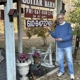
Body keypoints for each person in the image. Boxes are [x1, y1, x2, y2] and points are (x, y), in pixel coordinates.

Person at [47, 13, 74, 80]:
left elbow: (70, 36)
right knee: (60, 60)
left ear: (63, 18)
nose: (60, 19)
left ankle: (71, 73)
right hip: (60, 46)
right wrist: (50, 31)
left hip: (67, 46)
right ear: (57, 19)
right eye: (59, 18)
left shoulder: (68, 25)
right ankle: (62, 71)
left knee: (69, 60)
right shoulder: (57, 27)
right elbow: (55, 35)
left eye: (61, 18)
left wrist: (62, 39)